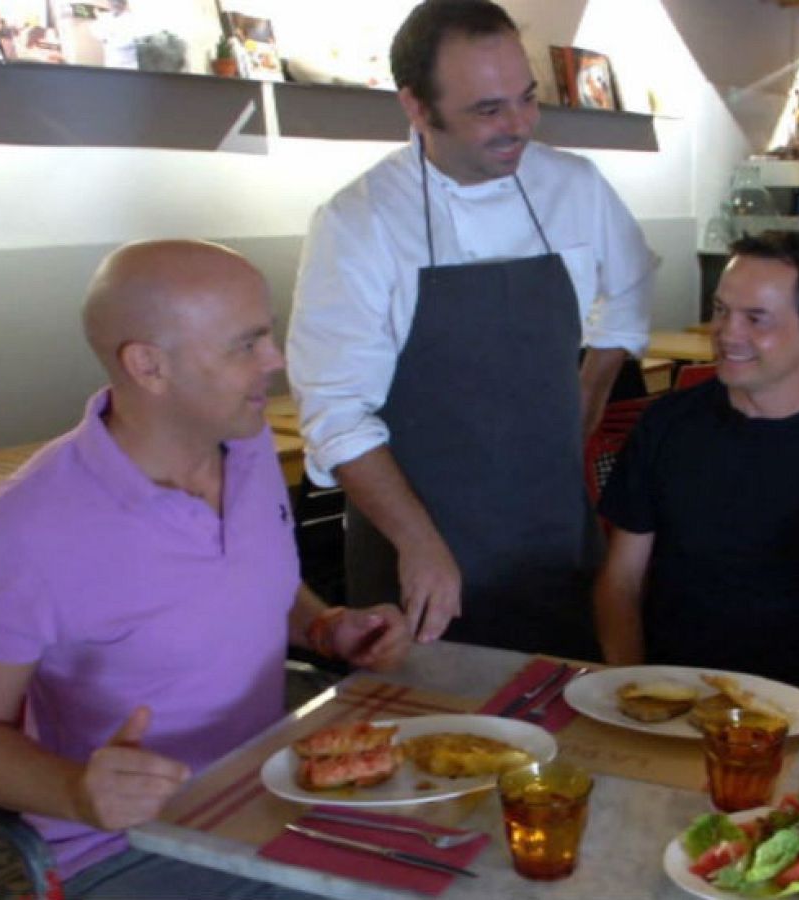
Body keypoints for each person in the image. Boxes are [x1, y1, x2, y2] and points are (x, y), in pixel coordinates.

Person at [0, 240, 412, 894]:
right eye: (246, 345)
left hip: (264, 789)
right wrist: (76, 790)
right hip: (130, 843)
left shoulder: (244, 442)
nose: (275, 360)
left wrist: (324, 627)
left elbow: (242, 572)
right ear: (149, 366)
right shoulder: (24, 532)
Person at [288, 0, 657, 659]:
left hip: (552, 538)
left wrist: (587, 394)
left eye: (527, 98)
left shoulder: (574, 186)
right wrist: (420, 544)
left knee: (563, 706)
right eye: (488, 110)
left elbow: (629, 291)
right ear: (416, 107)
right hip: (419, 555)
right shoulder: (360, 222)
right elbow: (336, 414)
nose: (519, 125)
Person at [594, 231, 799, 695]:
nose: (728, 334)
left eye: (756, 318)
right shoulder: (667, 424)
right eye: (721, 310)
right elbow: (620, 582)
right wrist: (633, 688)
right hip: (672, 694)